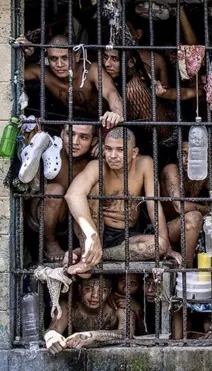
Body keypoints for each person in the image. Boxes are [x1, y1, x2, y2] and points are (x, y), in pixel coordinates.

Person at [64, 126, 181, 275]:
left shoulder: (145, 164)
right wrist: (91, 234)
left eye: (120, 150)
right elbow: (72, 195)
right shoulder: (97, 166)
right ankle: (89, 253)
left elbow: (153, 204)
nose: (113, 155)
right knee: (93, 189)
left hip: (126, 237)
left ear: (134, 153)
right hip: (96, 230)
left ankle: (95, 256)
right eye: (108, 149)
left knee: (160, 245)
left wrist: (167, 246)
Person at [17, 35, 124, 127]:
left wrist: (116, 113)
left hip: (101, 124)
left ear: (77, 56)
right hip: (69, 126)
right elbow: (14, 74)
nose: (59, 64)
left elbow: (111, 92)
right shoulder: (43, 73)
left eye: (65, 58)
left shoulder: (91, 70)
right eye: (53, 59)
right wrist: (27, 54)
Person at [27, 125, 96, 261]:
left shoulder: (92, 163)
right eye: (70, 134)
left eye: (84, 137)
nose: (75, 142)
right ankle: (50, 243)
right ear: (62, 133)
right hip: (39, 220)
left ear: (94, 141)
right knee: (56, 191)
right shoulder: (49, 152)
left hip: (71, 223)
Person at [44, 276, 134, 355]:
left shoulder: (119, 308)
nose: (95, 295)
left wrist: (93, 336)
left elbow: (126, 334)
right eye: (88, 289)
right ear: (80, 289)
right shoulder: (68, 307)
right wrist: (52, 338)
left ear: (109, 292)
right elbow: (53, 330)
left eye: (102, 290)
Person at [160, 141, 209, 267]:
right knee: (194, 217)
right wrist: (209, 209)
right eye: (183, 154)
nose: (187, 160)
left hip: (185, 228)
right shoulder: (172, 170)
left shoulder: (201, 173)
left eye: (194, 155)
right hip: (164, 229)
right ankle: (186, 269)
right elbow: (179, 207)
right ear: (177, 154)